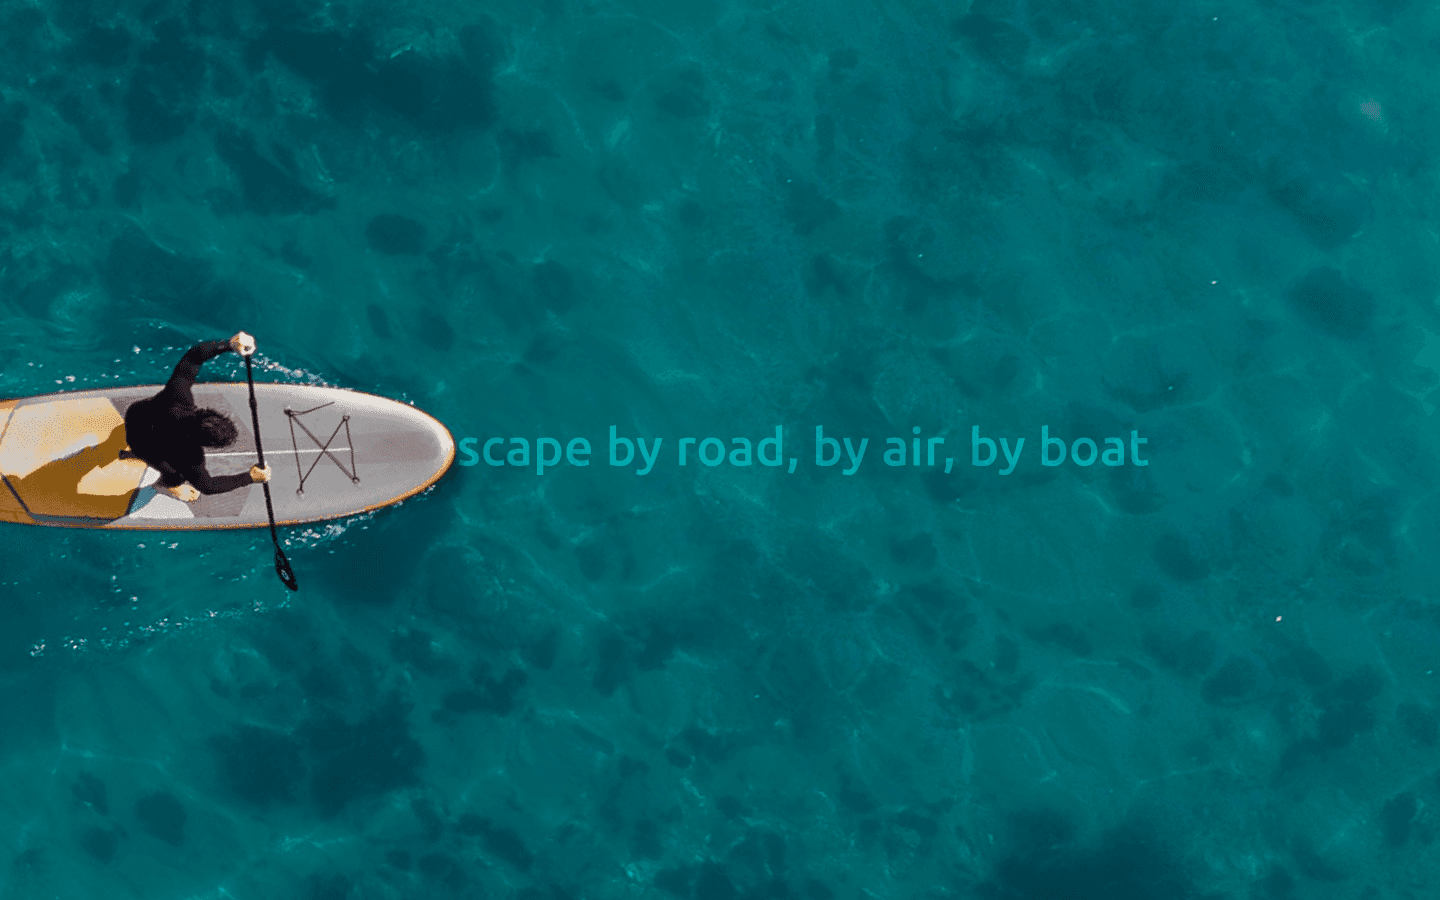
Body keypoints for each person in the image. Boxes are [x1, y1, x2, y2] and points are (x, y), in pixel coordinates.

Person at [123, 331, 272, 502]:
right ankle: (168, 487)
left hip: (134, 417)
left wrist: (230, 344)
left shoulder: (178, 396)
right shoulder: (190, 457)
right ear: (206, 445)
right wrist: (250, 477)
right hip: (145, 449)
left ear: (206, 412)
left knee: (145, 429)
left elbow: (193, 357)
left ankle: (132, 449)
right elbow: (207, 487)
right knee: (177, 475)